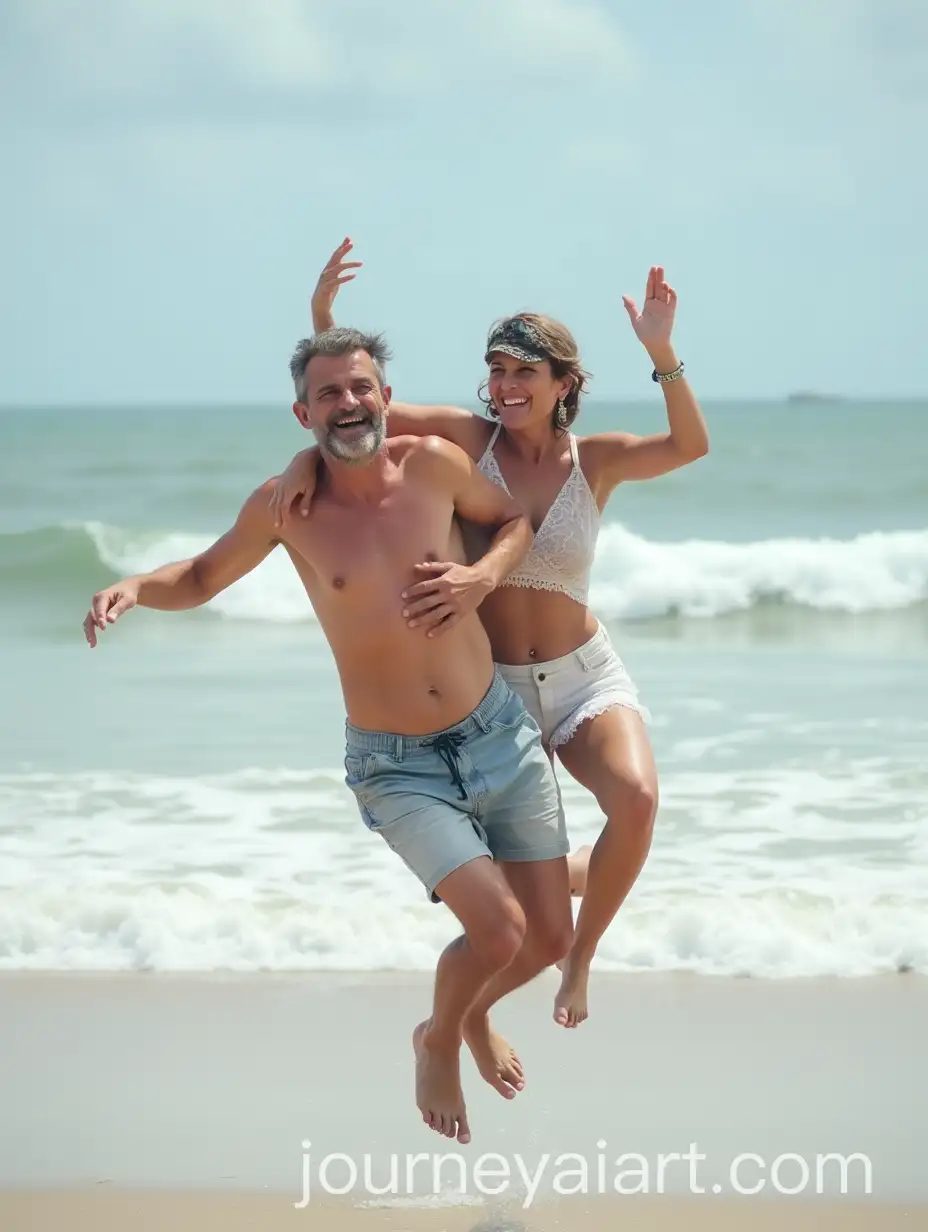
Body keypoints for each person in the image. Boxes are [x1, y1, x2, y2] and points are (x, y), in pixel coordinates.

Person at [81, 327, 575, 1145]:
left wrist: (481, 574)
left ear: (384, 395)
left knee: (550, 936)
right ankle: (439, 1038)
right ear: (302, 411)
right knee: (502, 930)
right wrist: (134, 584)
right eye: (329, 393)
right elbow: (202, 576)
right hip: (397, 764)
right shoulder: (287, 504)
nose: (349, 404)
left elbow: (514, 521)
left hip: (494, 729)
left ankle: (471, 1018)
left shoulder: (432, 467)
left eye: (361, 388)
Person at [268, 239, 710, 1028]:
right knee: (513, 908)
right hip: (490, 697)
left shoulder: (595, 461)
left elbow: (689, 446)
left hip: (582, 675)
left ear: (563, 384)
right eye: (495, 370)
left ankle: (581, 961)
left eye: (523, 373)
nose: (504, 387)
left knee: (637, 801)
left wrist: (663, 352)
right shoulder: (468, 442)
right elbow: (351, 420)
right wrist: (321, 326)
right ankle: (467, 1018)